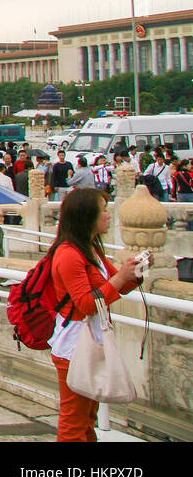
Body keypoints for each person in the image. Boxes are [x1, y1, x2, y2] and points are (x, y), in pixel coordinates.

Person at [46, 188, 141, 441]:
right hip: (74, 345)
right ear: (87, 216)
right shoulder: (68, 254)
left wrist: (135, 273)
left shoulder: (90, 249)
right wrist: (121, 277)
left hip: (92, 341)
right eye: (104, 210)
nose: (109, 216)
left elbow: (114, 286)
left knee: (88, 417)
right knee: (74, 420)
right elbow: (86, 304)